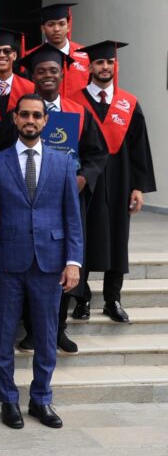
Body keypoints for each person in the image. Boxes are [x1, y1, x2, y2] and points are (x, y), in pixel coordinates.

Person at [0, 94, 83, 430]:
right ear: (15, 118)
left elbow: (73, 218)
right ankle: (8, 400)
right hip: (7, 264)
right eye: (25, 114)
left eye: (37, 115)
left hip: (50, 263)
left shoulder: (64, 163)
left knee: (47, 334)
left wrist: (73, 262)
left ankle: (41, 399)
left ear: (45, 121)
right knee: (4, 334)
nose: (31, 120)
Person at [15, 44, 108, 353]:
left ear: (62, 72)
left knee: (64, 263)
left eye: (53, 70)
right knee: (33, 262)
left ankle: (59, 329)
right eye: (41, 71)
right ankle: (32, 330)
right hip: (30, 199)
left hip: (68, 200)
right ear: (32, 74)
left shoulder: (78, 112)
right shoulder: (23, 112)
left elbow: (97, 154)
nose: (48, 76)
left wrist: (84, 179)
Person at [74, 40, 156, 323]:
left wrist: (138, 187)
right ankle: (81, 298)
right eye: (99, 62)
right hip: (86, 179)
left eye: (109, 62)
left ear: (114, 66)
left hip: (120, 179)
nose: (105, 67)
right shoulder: (74, 101)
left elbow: (139, 149)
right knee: (82, 236)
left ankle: (113, 299)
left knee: (118, 237)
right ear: (90, 66)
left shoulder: (129, 104)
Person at [30, 2, 90, 97]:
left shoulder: (86, 54)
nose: (57, 29)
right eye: (51, 24)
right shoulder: (31, 56)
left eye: (61, 24)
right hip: (43, 110)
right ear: (43, 29)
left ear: (68, 27)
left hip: (78, 110)